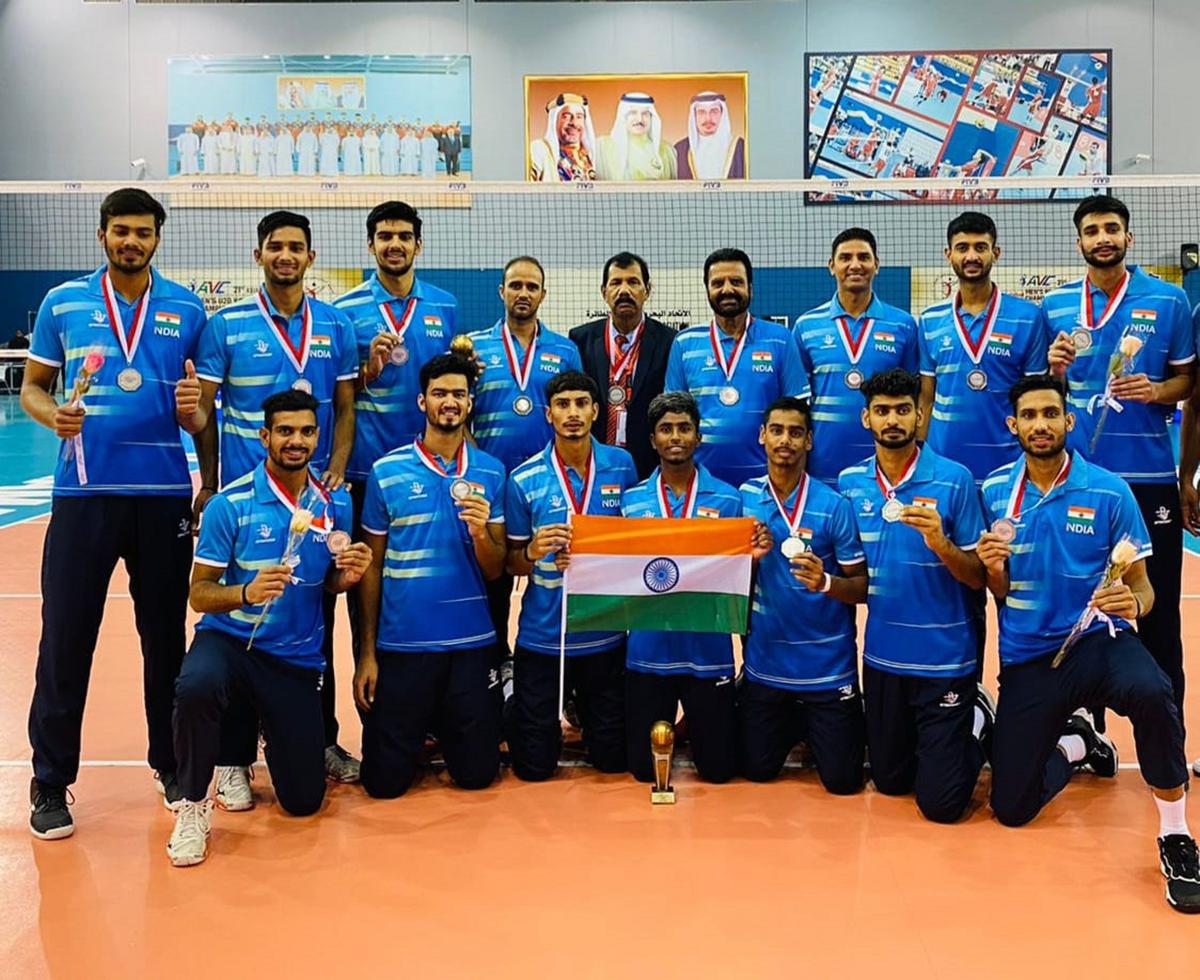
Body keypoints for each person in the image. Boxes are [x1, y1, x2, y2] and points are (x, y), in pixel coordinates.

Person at [22, 188, 207, 839]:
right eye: (121, 230)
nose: (132, 241)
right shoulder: (63, 303)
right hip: (84, 496)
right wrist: (54, 415)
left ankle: (171, 764)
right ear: (102, 235)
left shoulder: (187, 309)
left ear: (158, 238)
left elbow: (201, 413)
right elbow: (33, 388)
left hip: (162, 498)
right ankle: (50, 780)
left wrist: (195, 419)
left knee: (165, 639)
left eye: (143, 232)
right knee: (65, 638)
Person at [979, 374, 1199, 913]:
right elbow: (998, 590)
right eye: (1029, 416)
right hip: (1030, 656)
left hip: (1098, 642)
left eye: (1050, 414)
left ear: (1068, 421)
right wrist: (993, 570)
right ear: (1013, 425)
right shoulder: (994, 492)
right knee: (1011, 808)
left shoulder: (1109, 490)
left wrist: (1133, 604)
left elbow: (1143, 587)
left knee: (1153, 691)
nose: (1040, 425)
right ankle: (1077, 743)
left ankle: (1176, 833)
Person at [167, 390, 370, 866]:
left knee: (303, 801)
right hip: (230, 642)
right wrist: (245, 592)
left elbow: (329, 581)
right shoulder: (230, 504)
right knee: (196, 684)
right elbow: (199, 593)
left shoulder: (335, 503)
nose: (296, 441)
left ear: (318, 437)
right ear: (265, 436)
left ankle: (266, 728)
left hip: (292, 657)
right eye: (285, 431)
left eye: (306, 431)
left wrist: (347, 577)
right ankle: (192, 804)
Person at [194, 210, 359, 793]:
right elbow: (204, 413)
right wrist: (209, 483)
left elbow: (345, 406)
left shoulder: (335, 324)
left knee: (315, 620)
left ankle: (320, 738)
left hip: (311, 500)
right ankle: (234, 756)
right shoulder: (225, 325)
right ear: (258, 255)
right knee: (240, 625)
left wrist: (338, 466)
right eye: (275, 246)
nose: (285, 255)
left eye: (295, 247)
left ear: (310, 257)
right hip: (247, 503)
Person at [1045, 195, 1195, 737]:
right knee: (1075, 604)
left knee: (1158, 610)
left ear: (1128, 238)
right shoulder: (1056, 305)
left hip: (1148, 481)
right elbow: (1046, 395)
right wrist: (1054, 369)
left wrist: (1156, 390)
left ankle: (1168, 733)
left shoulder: (1170, 300)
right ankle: (1085, 732)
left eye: (1112, 228)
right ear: (1079, 241)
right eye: (1092, 230)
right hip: (1077, 480)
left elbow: (1188, 382)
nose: (1102, 238)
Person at [330, 200, 461, 751]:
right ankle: (377, 720)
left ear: (418, 244)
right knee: (365, 597)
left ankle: (435, 716)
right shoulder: (344, 311)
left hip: (435, 474)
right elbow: (339, 395)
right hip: (367, 475)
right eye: (384, 236)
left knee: (427, 586)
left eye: (404, 236)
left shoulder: (444, 306)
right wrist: (369, 370)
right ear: (371, 244)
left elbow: (451, 384)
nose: (394, 244)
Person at [838, 369, 993, 823]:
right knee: (890, 782)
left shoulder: (955, 480)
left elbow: (977, 578)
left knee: (942, 806)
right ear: (866, 418)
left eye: (903, 410)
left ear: (920, 415)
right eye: (882, 411)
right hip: (883, 659)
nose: (893, 420)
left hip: (945, 661)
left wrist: (942, 544)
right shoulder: (850, 483)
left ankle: (978, 720)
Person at [354, 354, 506, 798]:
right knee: (383, 785)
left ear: (471, 403)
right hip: (404, 646)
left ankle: (446, 726)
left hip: (470, 646)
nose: (449, 402)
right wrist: (368, 653)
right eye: (440, 393)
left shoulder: (491, 472)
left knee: (478, 776)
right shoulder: (386, 472)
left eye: (459, 394)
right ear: (422, 401)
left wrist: (480, 533)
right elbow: (372, 566)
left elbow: (496, 568)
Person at [917, 212, 1046, 677]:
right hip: (949, 479)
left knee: (1017, 586)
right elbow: (926, 398)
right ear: (948, 255)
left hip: (1010, 481)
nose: (971, 255)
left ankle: (1025, 690)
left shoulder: (1027, 317)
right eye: (963, 247)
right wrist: (923, 464)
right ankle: (963, 692)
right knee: (958, 589)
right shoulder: (929, 321)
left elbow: (1036, 398)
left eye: (980, 246)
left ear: (996, 252)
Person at [621, 392, 763, 784]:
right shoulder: (631, 503)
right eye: (666, 429)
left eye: (684, 428)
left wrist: (752, 558)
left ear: (698, 437)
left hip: (708, 652)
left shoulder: (730, 500)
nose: (675, 437)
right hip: (648, 653)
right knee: (642, 771)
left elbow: (737, 574)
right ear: (652, 440)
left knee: (719, 771)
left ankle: (692, 732)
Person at [505, 371, 638, 780]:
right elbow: (512, 565)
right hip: (545, 638)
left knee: (613, 761)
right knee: (534, 768)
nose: (573, 413)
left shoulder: (622, 466)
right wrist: (534, 550)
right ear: (549, 414)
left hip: (605, 634)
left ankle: (582, 709)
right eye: (563, 405)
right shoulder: (523, 479)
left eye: (581, 403)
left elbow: (633, 543)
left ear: (596, 411)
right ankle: (511, 694)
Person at [738, 397, 868, 794]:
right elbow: (729, 584)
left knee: (843, 782)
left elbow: (862, 587)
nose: (785, 441)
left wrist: (825, 582)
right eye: (777, 431)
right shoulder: (744, 499)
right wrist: (751, 560)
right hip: (766, 667)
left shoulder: (834, 506)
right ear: (762, 436)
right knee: (757, 770)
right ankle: (796, 722)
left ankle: (815, 720)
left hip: (828, 670)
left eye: (796, 433)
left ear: (809, 441)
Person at [469, 257, 582, 682]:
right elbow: (458, 412)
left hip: (548, 492)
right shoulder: (473, 348)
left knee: (555, 577)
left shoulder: (564, 351)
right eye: (515, 285)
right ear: (501, 291)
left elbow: (575, 413)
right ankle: (496, 672)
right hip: (492, 488)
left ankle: (565, 681)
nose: (523, 293)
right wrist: (478, 466)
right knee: (493, 583)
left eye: (532, 287)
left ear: (543, 294)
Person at [666, 249, 808, 489]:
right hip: (702, 486)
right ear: (707, 290)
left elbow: (798, 414)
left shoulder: (781, 339)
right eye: (718, 283)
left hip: (766, 485)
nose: (727, 289)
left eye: (736, 282)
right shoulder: (684, 343)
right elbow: (673, 416)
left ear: (750, 288)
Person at [793, 228, 919, 485]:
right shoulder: (806, 326)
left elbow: (914, 397)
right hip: (821, 465)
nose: (855, 265)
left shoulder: (903, 324)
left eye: (863, 257)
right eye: (845, 258)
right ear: (831, 266)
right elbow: (797, 404)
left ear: (876, 265)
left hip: (886, 468)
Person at [569, 251, 674, 479]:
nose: (624, 290)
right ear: (604, 292)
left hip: (650, 465)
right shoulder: (580, 340)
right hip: (594, 464)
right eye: (616, 283)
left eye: (633, 282)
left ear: (647, 290)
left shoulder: (669, 341)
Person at [596, 93, 676, 181]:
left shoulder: (667, 150)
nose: (639, 119)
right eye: (633, 113)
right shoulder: (603, 148)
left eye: (645, 114)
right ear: (623, 116)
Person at [674, 92, 746, 180]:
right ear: (694, 116)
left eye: (714, 112)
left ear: (722, 114)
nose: (708, 118)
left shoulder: (741, 147)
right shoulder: (679, 150)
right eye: (701, 112)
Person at [529, 93, 597, 183]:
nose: (574, 123)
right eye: (566, 117)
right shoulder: (539, 150)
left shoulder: (591, 156)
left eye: (579, 117)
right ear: (554, 121)